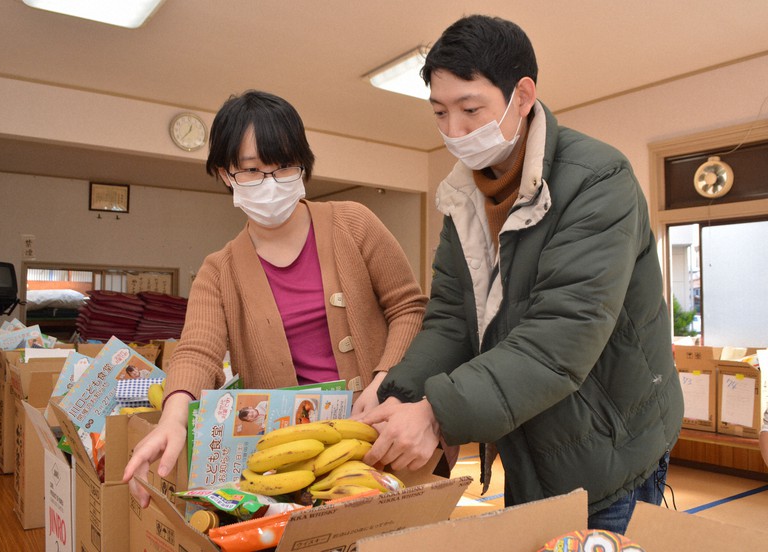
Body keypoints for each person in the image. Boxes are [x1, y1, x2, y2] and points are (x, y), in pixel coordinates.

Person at [357, 15, 683, 534]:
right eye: (439, 112)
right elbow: (449, 322)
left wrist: (437, 412)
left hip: (610, 449)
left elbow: (560, 339)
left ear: (523, 94)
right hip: (531, 442)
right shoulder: (463, 198)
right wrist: (397, 390)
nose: (454, 132)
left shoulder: (599, 181)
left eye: (470, 110)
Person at [124, 90, 427, 506]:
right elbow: (197, 351)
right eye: (251, 170)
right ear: (224, 174)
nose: (269, 183)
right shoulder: (219, 270)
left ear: (302, 164)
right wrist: (174, 417)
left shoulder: (354, 223)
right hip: (290, 463)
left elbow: (408, 307)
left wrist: (381, 381)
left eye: (283, 167)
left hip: (385, 432)